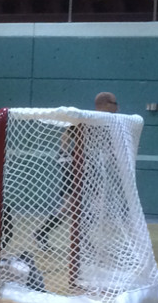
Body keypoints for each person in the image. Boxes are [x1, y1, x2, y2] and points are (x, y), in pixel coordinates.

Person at [35, 91, 119, 250]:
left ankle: (81, 237)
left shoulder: (110, 122)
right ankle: (43, 233)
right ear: (106, 104)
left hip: (92, 167)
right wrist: (63, 154)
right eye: (115, 104)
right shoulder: (88, 118)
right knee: (70, 205)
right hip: (76, 165)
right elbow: (67, 134)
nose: (118, 107)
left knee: (95, 205)